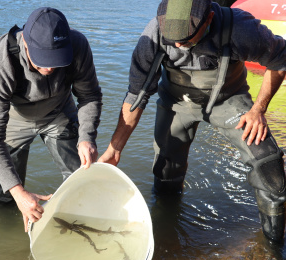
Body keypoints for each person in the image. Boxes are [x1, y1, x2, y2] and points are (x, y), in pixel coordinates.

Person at [99, 0, 286, 243]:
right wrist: (114, 149)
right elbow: (136, 96)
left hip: (228, 100)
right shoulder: (154, 34)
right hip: (176, 102)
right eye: (172, 39)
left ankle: (273, 249)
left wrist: (259, 109)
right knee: (166, 174)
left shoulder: (240, 28)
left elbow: (280, 59)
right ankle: (167, 237)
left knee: (270, 168)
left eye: (186, 39)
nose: (177, 45)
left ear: (208, 19)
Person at [0, 7, 102, 232]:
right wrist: (18, 192)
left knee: (81, 177)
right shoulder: (2, 56)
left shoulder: (78, 45)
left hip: (59, 112)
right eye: (43, 59)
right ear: (26, 42)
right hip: (15, 118)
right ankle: (5, 240)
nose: (49, 67)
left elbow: (89, 96)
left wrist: (86, 137)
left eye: (56, 61)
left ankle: (77, 225)